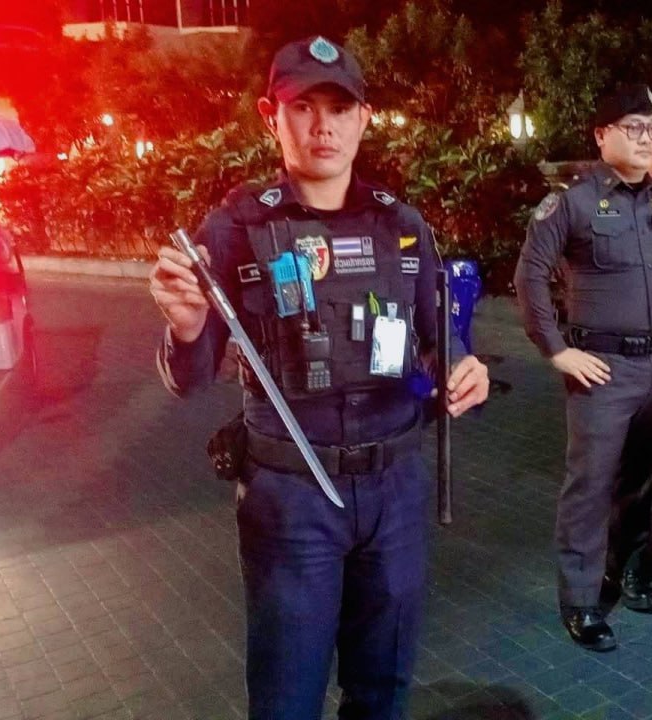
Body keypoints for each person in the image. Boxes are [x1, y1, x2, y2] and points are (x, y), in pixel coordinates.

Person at [148, 36, 490, 720]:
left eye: (339, 108)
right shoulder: (237, 227)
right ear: (270, 116)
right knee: (286, 699)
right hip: (291, 499)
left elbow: (438, 339)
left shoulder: (402, 224)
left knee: (382, 693)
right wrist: (185, 327)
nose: (323, 126)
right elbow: (189, 377)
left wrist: (462, 368)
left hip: (395, 492)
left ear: (365, 118)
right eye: (303, 107)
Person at [514, 83, 652, 652]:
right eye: (633, 127)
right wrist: (557, 350)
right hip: (603, 372)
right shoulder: (572, 204)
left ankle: (626, 570)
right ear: (602, 135)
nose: (647, 139)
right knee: (591, 485)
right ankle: (580, 600)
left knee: (643, 482)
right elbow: (529, 276)